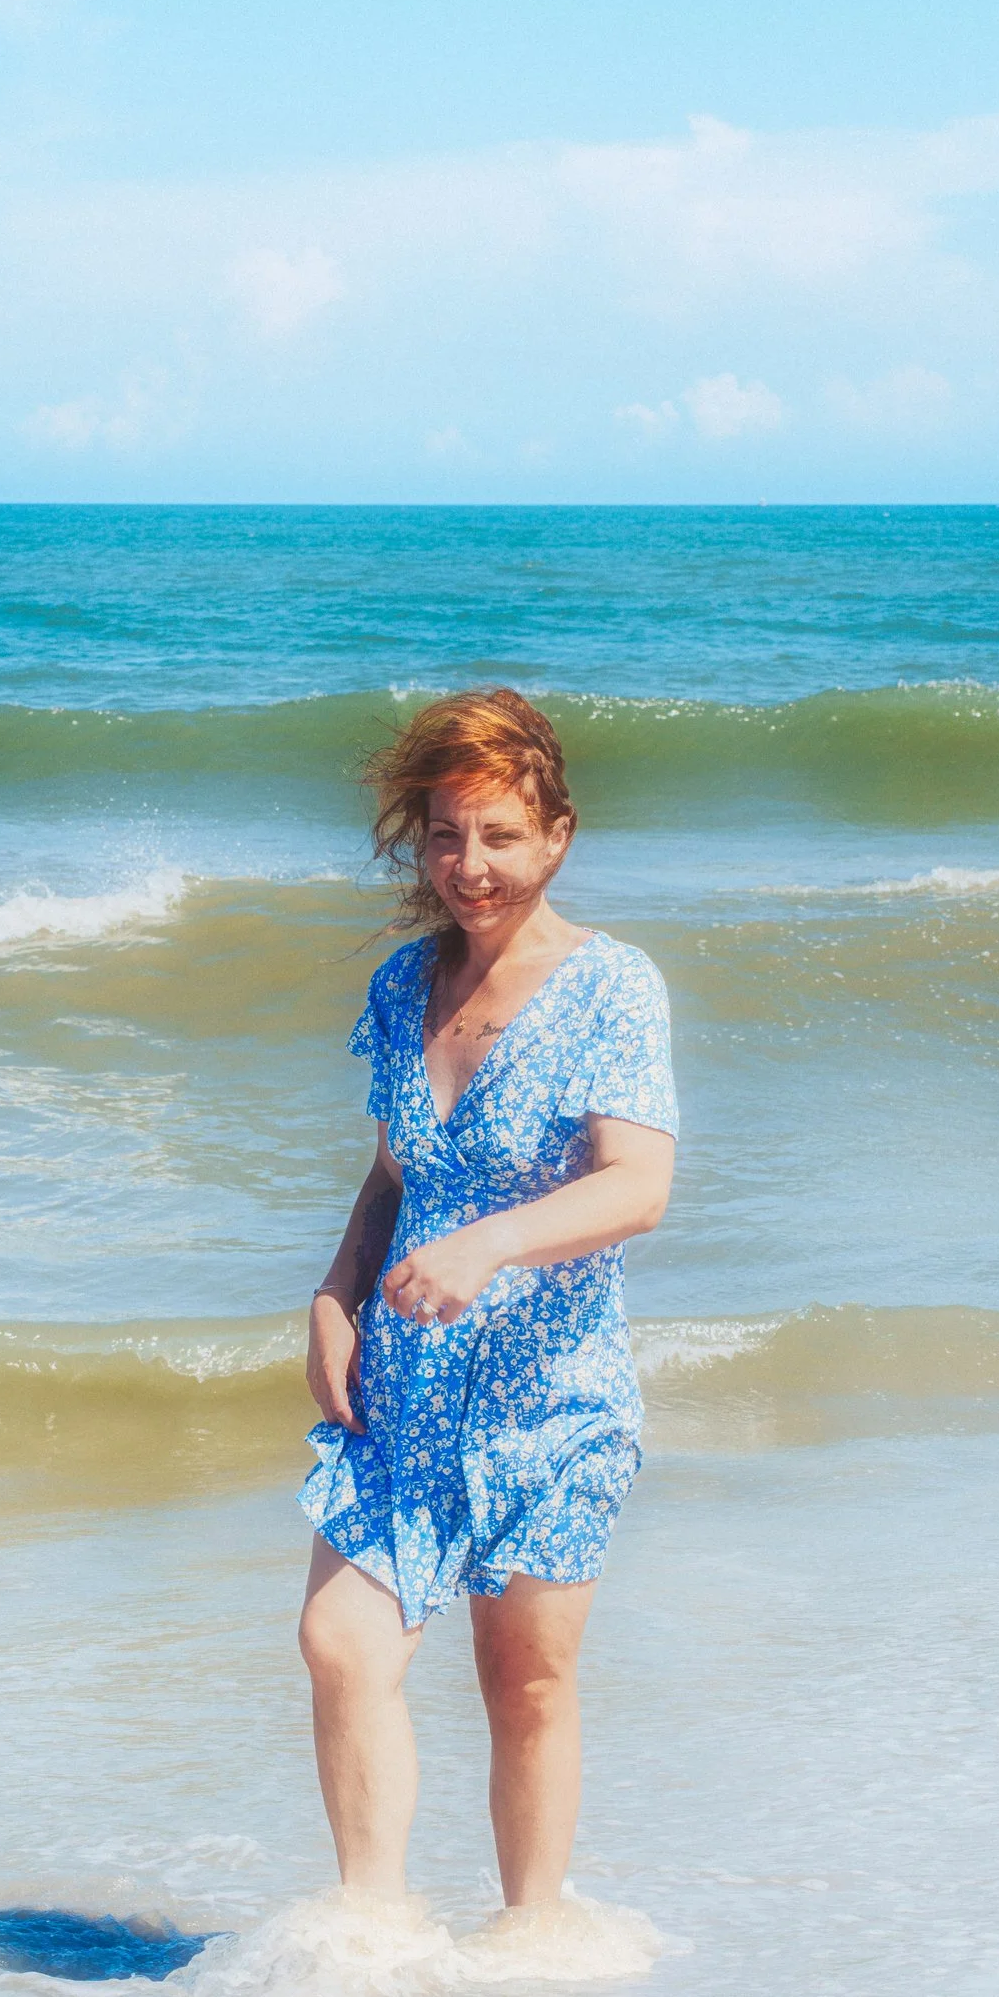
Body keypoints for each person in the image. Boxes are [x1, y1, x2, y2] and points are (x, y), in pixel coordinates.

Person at [298, 687, 677, 1926]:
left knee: (523, 1686)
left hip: (548, 1402)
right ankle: (370, 1935)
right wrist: (336, 1293)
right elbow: (392, 1174)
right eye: (448, 835)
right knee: (340, 1647)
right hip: (401, 1399)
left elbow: (639, 1186)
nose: (471, 867)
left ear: (557, 834)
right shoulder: (405, 987)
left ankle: (532, 1940)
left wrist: (488, 1247)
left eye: (501, 836)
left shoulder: (613, 988)